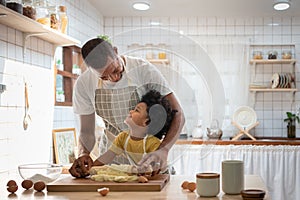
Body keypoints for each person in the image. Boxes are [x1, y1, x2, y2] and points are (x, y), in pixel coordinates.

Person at [69, 37, 185, 178]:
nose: (114, 78)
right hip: (111, 161)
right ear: (91, 70)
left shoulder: (143, 70)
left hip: (147, 161)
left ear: (116, 52)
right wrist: (83, 155)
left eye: (116, 70)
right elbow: (87, 132)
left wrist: (163, 150)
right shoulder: (83, 84)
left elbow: (178, 113)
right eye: (104, 77)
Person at [93, 90, 177, 172]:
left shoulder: (153, 143)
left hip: (163, 176)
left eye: (137, 110)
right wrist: (90, 167)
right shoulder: (123, 137)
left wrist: (146, 172)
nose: (131, 111)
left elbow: (154, 168)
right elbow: (107, 156)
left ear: (146, 122)